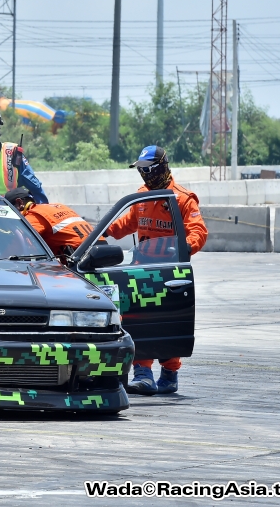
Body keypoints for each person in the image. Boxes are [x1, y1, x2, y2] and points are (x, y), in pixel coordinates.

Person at [106, 145, 208, 396]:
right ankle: (142, 373)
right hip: (141, 273)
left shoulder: (182, 199)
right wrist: (99, 231)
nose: (143, 175)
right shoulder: (141, 197)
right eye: (140, 170)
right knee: (137, 322)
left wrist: (184, 248)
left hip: (169, 273)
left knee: (168, 324)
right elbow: (124, 225)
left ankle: (170, 374)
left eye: (147, 169)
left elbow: (199, 231)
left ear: (161, 167)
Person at [4, 187, 95, 262]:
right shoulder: (59, 206)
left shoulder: (34, 215)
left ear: (19, 203)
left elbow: (23, 243)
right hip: (98, 250)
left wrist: (0, 255)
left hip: (83, 260)